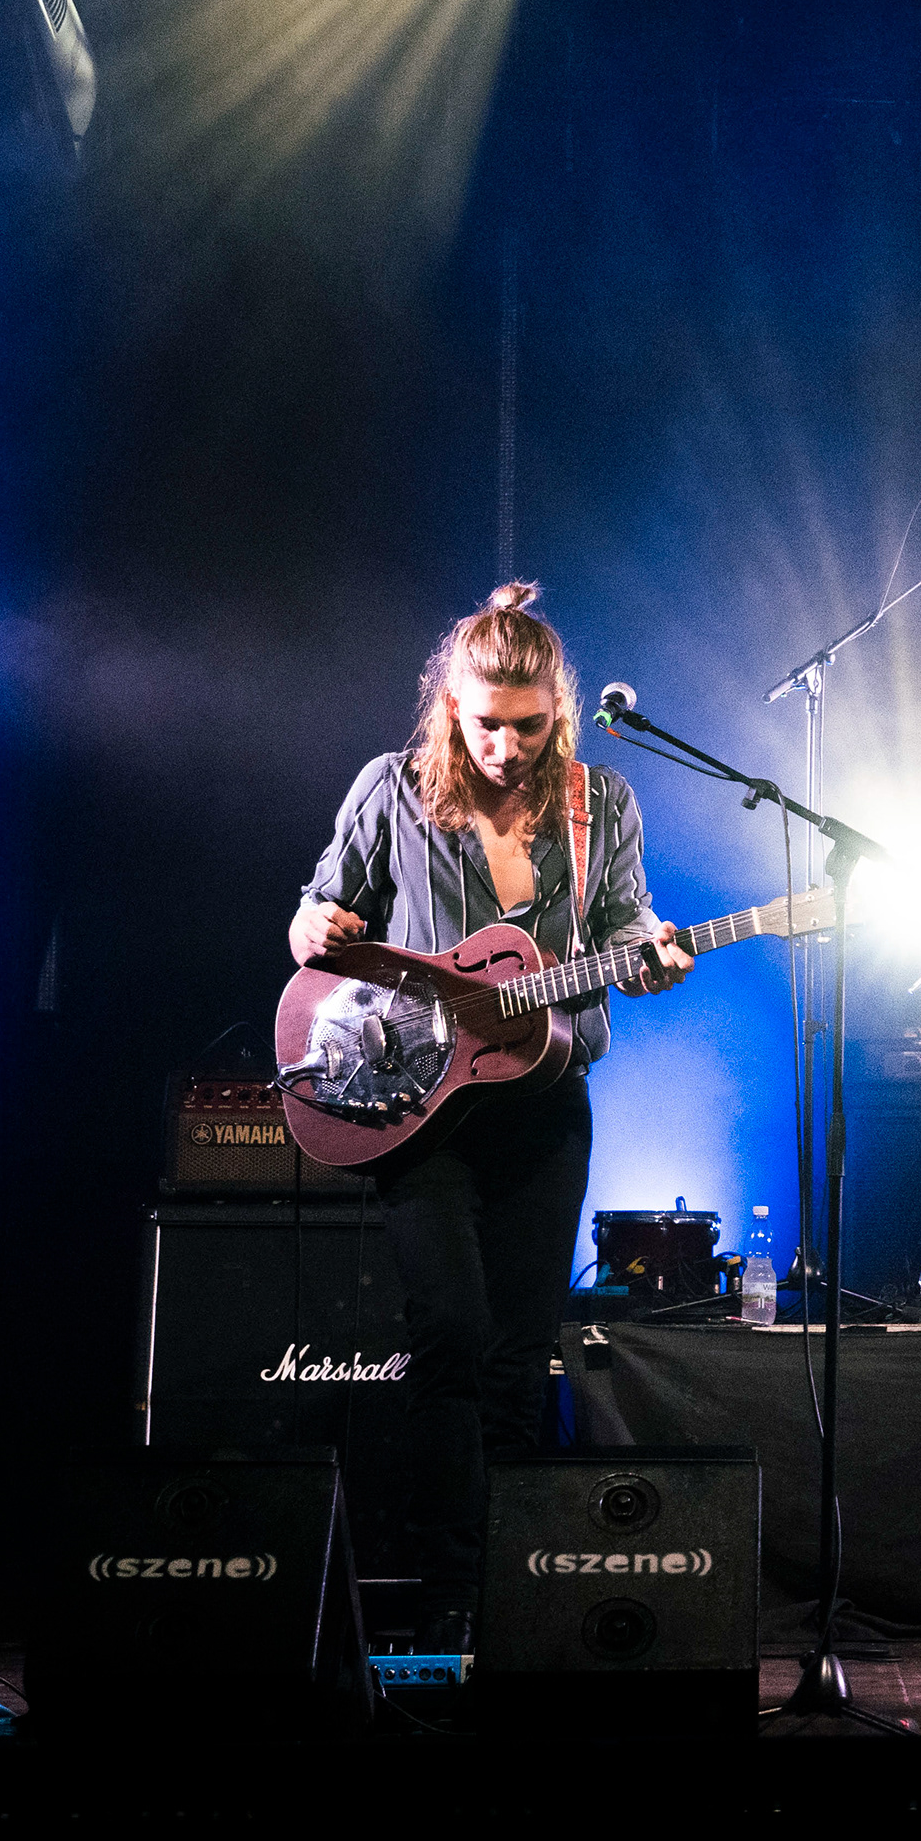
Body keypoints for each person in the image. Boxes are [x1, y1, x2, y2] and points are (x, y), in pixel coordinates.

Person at [290, 581, 693, 1642]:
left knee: (521, 1352)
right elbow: (314, 919)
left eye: (530, 726)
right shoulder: (392, 789)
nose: (508, 749)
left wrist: (651, 958)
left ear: (559, 712)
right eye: (487, 727)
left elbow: (626, 926)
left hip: (546, 1107)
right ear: (451, 711)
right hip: (419, 1111)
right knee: (453, 1336)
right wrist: (316, 926)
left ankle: (511, 1595)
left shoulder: (601, 804)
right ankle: (444, 1594)